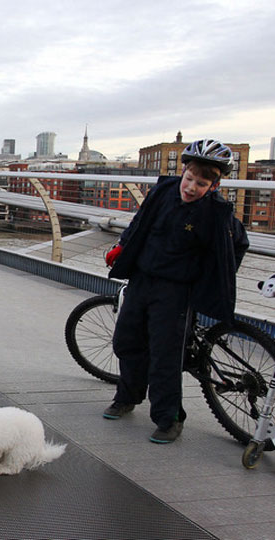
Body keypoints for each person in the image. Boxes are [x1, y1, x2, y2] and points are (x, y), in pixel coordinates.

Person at [103, 139, 249, 444]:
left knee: (164, 357)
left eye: (201, 183)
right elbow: (140, 223)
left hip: (176, 291)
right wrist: (123, 246)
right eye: (189, 179)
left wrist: (212, 280)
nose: (192, 187)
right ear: (182, 172)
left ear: (213, 185)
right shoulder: (164, 191)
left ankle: (169, 419)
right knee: (126, 342)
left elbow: (236, 246)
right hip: (143, 279)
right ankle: (127, 397)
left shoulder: (216, 213)